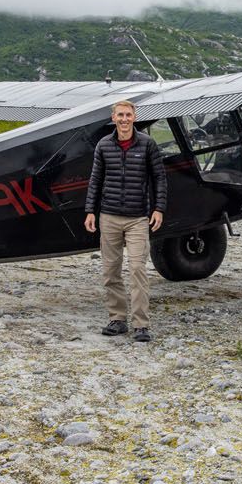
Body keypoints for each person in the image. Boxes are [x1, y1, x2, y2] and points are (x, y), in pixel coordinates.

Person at [83, 100, 167, 341]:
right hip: (108, 216)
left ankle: (141, 324)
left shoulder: (148, 144)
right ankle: (117, 319)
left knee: (138, 269)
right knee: (111, 271)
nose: (124, 119)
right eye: (120, 115)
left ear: (134, 117)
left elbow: (159, 179)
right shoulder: (104, 145)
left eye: (128, 115)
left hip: (137, 217)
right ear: (113, 117)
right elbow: (95, 180)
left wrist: (159, 208)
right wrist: (90, 210)